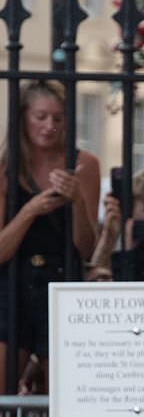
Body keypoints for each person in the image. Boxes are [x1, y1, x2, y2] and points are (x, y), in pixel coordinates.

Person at [0, 80, 100, 393]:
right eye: (40, 116)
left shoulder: (84, 164)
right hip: (11, 284)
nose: (49, 126)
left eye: (57, 118)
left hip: (61, 283)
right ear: (23, 118)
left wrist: (77, 201)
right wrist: (30, 210)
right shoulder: (5, 167)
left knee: (58, 399)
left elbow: (85, 248)